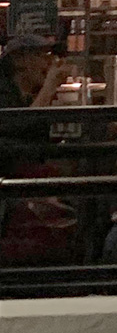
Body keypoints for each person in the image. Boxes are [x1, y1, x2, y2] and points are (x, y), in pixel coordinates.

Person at [0, 30, 80, 265]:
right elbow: (18, 124)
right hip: (10, 179)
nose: (49, 62)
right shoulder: (3, 92)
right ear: (19, 61)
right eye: (42, 55)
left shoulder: (26, 93)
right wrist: (50, 86)